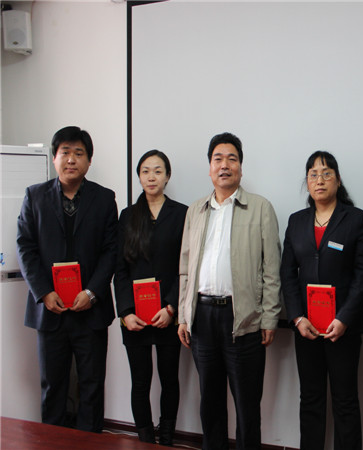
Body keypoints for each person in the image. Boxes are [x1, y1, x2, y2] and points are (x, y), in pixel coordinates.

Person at [177, 132, 281, 450]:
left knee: (247, 405)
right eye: (218, 159)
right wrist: (184, 315)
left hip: (243, 319)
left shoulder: (261, 208)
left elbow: (271, 269)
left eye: (231, 159)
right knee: (209, 402)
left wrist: (269, 318)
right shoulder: (195, 210)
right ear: (209, 167)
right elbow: (185, 268)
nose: (224, 165)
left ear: (241, 167)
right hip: (202, 317)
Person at [16, 126, 118, 432]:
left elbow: (111, 251)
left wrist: (92, 292)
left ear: (89, 160)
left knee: (91, 387)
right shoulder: (34, 196)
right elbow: (25, 247)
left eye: (79, 153)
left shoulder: (104, 198)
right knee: (53, 386)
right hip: (51, 310)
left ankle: (90, 443)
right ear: (54, 157)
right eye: (65, 152)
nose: (71, 159)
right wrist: (44, 292)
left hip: (90, 310)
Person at [280, 151, 363, 450]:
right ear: (307, 182)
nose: (319, 180)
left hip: (342, 328)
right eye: (313, 174)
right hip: (306, 327)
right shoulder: (297, 221)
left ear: (338, 180)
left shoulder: (355, 219)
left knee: (345, 400)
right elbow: (287, 273)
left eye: (326, 173)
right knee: (310, 398)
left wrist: (344, 318)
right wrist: (297, 317)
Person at [113, 150, 187, 445]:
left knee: (169, 379)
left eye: (158, 170)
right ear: (139, 177)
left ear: (167, 176)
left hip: (168, 313)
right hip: (135, 316)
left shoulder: (182, 214)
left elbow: (186, 266)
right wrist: (125, 312)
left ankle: (166, 438)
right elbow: (120, 269)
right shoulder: (128, 216)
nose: (151, 177)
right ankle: (145, 438)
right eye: (145, 171)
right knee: (140, 381)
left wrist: (171, 307)